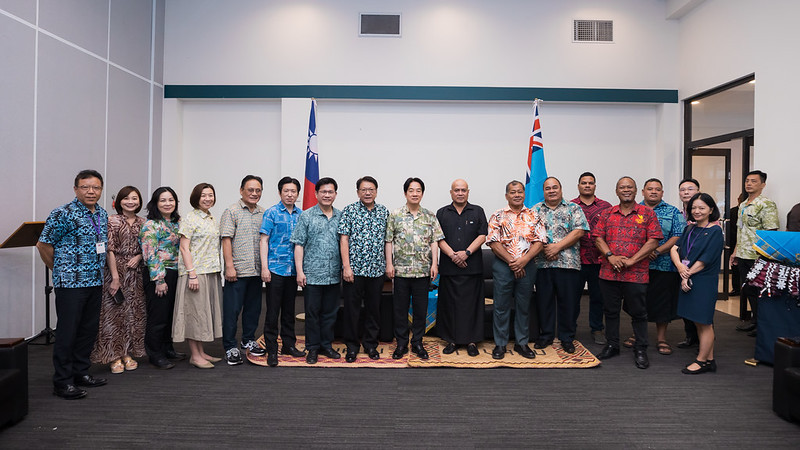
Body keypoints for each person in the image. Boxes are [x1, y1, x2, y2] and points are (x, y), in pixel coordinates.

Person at [37, 169, 109, 399]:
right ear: (76, 189)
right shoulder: (62, 213)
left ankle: (81, 373)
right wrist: (59, 269)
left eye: (96, 187)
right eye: (85, 187)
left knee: (87, 331)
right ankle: (63, 381)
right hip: (70, 283)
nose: (91, 191)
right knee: (67, 333)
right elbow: (43, 245)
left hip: (95, 280)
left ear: (101, 190)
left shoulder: (102, 214)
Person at [594, 176, 662, 369]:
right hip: (609, 272)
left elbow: (654, 240)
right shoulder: (607, 213)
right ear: (616, 191)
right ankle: (612, 345)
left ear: (635, 190)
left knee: (639, 312)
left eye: (629, 187)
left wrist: (632, 260)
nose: (626, 190)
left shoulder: (647, 213)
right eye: (622, 187)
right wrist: (610, 256)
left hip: (637, 273)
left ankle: (640, 348)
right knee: (611, 311)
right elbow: (597, 237)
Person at [486, 180, 546, 360]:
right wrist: (513, 262)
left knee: (523, 305)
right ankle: (501, 344)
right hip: (503, 266)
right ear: (507, 195)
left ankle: (522, 343)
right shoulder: (497, 215)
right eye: (513, 192)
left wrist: (524, 261)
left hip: (528, 266)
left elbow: (540, 241)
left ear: (524, 194)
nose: (517, 195)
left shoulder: (534, 215)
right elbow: (493, 242)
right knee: (501, 306)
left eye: (520, 191)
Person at [386, 177, 444, 360]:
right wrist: (389, 264)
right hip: (401, 271)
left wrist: (435, 264)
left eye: (418, 190)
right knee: (400, 309)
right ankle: (401, 343)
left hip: (422, 271)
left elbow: (435, 241)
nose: (415, 193)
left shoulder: (429, 215)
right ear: (405, 193)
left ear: (422, 193)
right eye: (411, 190)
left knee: (421, 309)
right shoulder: (395, 215)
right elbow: (388, 241)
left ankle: (418, 342)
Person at [91, 186, 147, 374]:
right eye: (126, 198)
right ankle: (113, 356)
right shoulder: (112, 221)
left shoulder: (143, 222)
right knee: (113, 314)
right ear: (119, 201)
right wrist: (115, 277)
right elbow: (109, 249)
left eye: (134, 198)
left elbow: (147, 247)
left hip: (136, 273)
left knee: (133, 314)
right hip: (116, 272)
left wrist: (139, 257)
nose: (130, 201)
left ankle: (128, 353)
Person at [629, 179, 685, 357]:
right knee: (637, 302)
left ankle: (661, 338)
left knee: (662, 304)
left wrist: (658, 251)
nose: (653, 192)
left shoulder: (673, 212)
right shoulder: (632, 210)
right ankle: (636, 334)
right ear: (643, 192)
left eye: (657, 189)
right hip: (637, 265)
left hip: (664, 265)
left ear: (662, 192)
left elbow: (678, 235)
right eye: (650, 189)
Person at [533, 177, 588, 353]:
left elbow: (579, 231)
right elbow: (530, 234)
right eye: (547, 188)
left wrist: (557, 247)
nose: (551, 191)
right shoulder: (535, 210)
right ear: (543, 191)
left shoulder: (574, 208)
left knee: (568, 302)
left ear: (561, 189)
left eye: (554, 187)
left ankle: (567, 337)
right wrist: (545, 248)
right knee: (544, 302)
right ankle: (546, 335)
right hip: (543, 264)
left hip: (568, 264)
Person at [671, 193, 724, 374]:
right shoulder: (690, 229)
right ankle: (709, 360)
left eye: (701, 208)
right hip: (688, 277)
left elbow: (705, 260)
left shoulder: (715, 231)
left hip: (703, 281)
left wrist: (686, 275)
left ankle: (702, 361)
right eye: (694, 208)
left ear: (711, 209)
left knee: (705, 322)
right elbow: (674, 248)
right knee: (697, 322)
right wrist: (680, 267)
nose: (697, 211)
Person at [291, 177, 343, 364]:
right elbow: (298, 245)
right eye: (323, 192)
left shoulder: (341, 216)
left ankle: (326, 346)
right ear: (316, 194)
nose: (327, 195)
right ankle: (312, 348)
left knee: (330, 313)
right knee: (312, 313)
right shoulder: (306, 216)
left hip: (333, 275)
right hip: (312, 274)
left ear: (335, 194)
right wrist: (300, 271)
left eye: (330, 192)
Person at [338, 176, 389, 362]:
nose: (367, 192)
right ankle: (351, 346)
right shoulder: (349, 211)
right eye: (363, 189)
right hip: (354, 271)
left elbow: (387, 241)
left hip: (376, 271)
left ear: (376, 191)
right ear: (358, 191)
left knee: (373, 310)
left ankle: (370, 345)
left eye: (371, 189)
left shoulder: (384, 212)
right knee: (352, 310)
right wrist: (346, 267)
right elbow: (344, 239)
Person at [436, 179, 488, 357]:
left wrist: (466, 253)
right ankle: (451, 340)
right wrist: (453, 255)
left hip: (472, 267)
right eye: (456, 190)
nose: (460, 193)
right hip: (449, 267)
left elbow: (483, 235)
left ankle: (472, 341)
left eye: (463, 190)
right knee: (449, 306)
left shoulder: (478, 211)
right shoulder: (442, 213)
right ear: (451, 192)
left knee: (471, 306)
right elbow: (438, 238)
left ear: (468, 192)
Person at [173, 183, 223, 369]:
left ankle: (201, 351)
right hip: (195, 273)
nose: (208, 198)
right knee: (194, 313)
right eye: (204, 195)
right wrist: (191, 274)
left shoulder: (210, 218)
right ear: (196, 197)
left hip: (210, 271)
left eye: (211, 195)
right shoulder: (190, 218)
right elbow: (184, 248)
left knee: (203, 313)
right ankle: (194, 355)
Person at [220, 175, 267, 364]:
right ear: (241, 191)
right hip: (237, 271)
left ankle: (248, 340)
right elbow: (226, 239)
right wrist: (229, 267)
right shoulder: (231, 212)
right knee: (232, 311)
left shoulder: (264, 213)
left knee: (253, 310)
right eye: (250, 190)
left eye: (258, 190)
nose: (254, 193)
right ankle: (230, 346)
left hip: (257, 271)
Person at [259, 177, 305, 367]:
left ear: (298, 194)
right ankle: (271, 349)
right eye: (286, 191)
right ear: (280, 192)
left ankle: (288, 345)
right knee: (272, 311)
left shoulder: (301, 215)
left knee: (289, 310)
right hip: (275, 269)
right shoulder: (271, 213)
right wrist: (264, 267)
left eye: (293, 191)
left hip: (293, 270)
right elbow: (264, 240)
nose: (290, 194)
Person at [140, 186, 187, 370]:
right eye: (163, 200)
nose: (168, 204)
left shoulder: (178, 222)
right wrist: (159, 280)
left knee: (170, 314)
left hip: (177, 272)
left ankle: (168, 348)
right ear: (155, 203)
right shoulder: (151, 225)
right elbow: (150, 254)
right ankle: (155, 354)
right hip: (159, 273)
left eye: (171, 200)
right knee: (158, 316)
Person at [731, 170, 779, 334]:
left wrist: (763, 255)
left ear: (762, 185)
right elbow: (741, 230)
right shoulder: (743, 204)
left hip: (757, 256)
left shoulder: (766, 204)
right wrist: (735, 252)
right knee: (748, 289)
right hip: (743, 254)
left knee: (760, 290)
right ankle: (755, 319)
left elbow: (771, 231)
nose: (749, 184)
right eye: (747, 181)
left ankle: (763, 324)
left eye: (753, 181)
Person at [571, 172, 612, 345]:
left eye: (590, 183)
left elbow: (610, 232)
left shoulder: (606, 207)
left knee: (597, 297)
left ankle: (597, 329)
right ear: (578, 185)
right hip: (575, 260)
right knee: (572, 297)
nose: (587, 186)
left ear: (595, 185)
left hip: (599, 260)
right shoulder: (570, 206)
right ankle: (569, 329)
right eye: (584, 183)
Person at [675, 178, 701, 349]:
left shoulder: (704, 212)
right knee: (685, 301)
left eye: (690, 189)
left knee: (699, 303)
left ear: (698, 190)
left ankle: (704, 338)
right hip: (682, 263)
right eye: (682, 189)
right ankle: (690, 336)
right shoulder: (679, 213)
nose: (686, 192)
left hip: (700, 264)